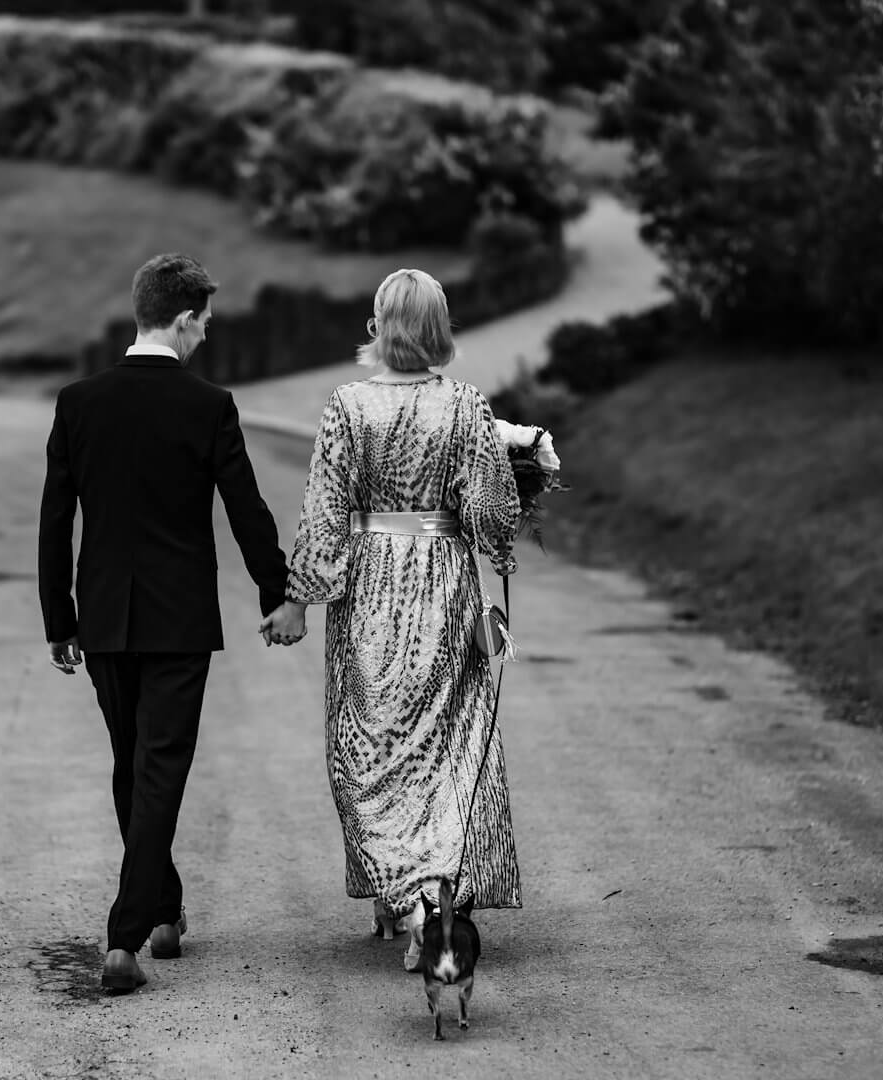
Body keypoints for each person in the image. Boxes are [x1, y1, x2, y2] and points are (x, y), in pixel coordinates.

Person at [38, 252, 304, 994]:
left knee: (134, 764)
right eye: (205, 325)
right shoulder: (207, 405)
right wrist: (276, 592)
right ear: (182, 318)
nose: (206, 338)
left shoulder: (79, 401)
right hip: (181, 619)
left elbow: (56, 517)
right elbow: (245, 509)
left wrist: (59, 615)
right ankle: (127, 936)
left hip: (106, 621)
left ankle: (164, 908)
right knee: (155, 768)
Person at [265, 268, 522, 971]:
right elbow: (489, 515)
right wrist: (512, 490)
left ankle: (408, 898)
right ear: (440, 331)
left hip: (373, 585)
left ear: (378, 327)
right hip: (443, 580)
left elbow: (325, 511)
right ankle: (440, 887)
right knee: (447, 741)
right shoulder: (466, 406)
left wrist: (299, 595)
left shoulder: (348, 405)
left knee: (369, 747)